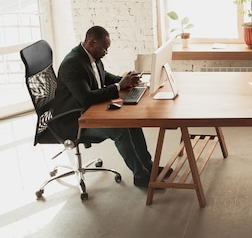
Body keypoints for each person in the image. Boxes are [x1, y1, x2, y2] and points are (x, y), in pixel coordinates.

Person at [54, 26, 170, 188]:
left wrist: (126, 81)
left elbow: (103, 77)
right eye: (104, 48)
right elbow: (86, 98)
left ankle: (149, 167)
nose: (106, 52)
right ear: (92, 43)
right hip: (75, 119)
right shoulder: (72, 64)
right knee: (120, 130)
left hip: (89, 111)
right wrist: (118, 86)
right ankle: (141, 176)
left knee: (132, 122)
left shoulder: (91, 56)